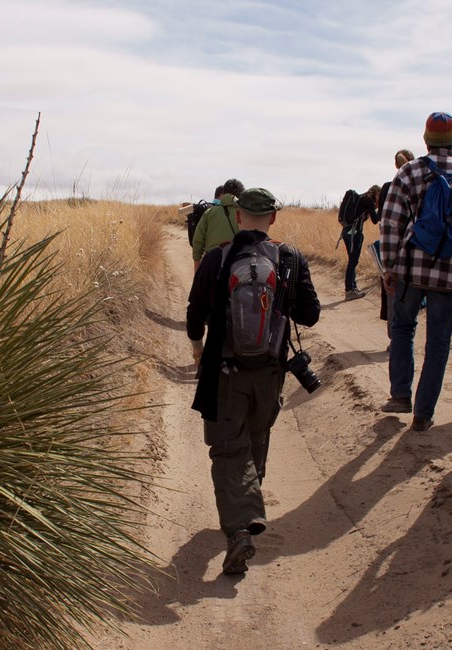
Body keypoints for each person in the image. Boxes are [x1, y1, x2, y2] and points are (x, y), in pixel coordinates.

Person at [187, 187, 321, 574]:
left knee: (228, 450)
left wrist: (198, 348)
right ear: (273, 219)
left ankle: (239, 531)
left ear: (240, 216)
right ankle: (248, 506)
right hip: (271, 372)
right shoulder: (290, 258)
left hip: (225, 371)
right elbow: (310, 315)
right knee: (257, 436)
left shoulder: (218, 258)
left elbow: (195, 313)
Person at [378, 113, 452, 432]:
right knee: (438, 341)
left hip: (410, 269)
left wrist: (390, 266)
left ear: (425, 139)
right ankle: (424, 413)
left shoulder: (409, 172)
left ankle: (400, 394)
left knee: (403, 327)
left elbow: (391, 223)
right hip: (450, 274)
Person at [377, 149, 417, 324]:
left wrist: (388, 265)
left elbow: (384, 222)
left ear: (395, 164)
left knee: (393, 296)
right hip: (421, 251)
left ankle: (394, 337)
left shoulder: (389, 186)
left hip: (396, 253)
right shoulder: (423, 184)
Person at [191, 178, 246, 264]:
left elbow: (197, 242)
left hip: (212, 263)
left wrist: (197, 269)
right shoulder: (245, 214)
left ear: (223, 193)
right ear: (241, 196)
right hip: (237, 264)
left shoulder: (209, 213)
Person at [338, 185, 379, 300]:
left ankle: (353, 287)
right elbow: (375, 220)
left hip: (346, 231)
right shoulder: (368, 200)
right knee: (353, 261)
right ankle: (349, 291)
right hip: (355, 233)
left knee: (352, 260)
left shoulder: (360, 199)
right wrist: (382, 210)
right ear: (376, 193)